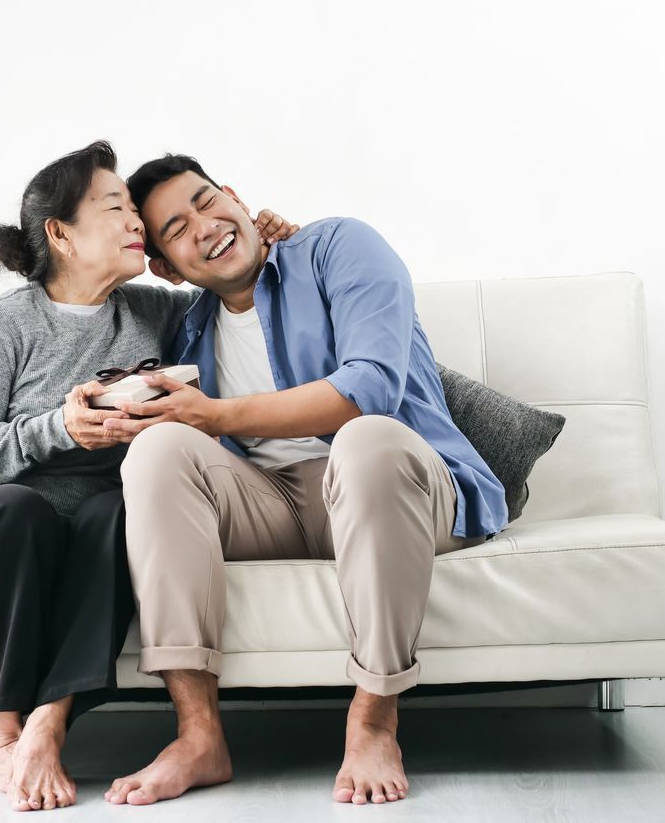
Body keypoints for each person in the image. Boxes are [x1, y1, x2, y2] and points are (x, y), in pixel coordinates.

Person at [97, 153, 508, 807]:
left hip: (397, 486)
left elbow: (370, 388)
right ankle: (198, 736)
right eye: (176, 229)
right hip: (272, 504)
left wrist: (218, 414)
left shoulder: (339, 247)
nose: (205, 226)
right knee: (157, 449)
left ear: (235, 196)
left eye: (207, 201)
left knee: (365, 437)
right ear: (167, 268)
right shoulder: (188, 330)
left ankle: (374, 720)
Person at [0, 141, 296, 812]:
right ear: (61, 234)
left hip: (90, 518)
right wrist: (57, 428)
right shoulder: (3, 327)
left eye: (135, 212)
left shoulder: (154, 313)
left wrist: (272, 243)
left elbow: (235, 294)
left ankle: (47, 724)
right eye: (116, 208)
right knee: (21, 509)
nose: (136, 222)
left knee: (116, 510)